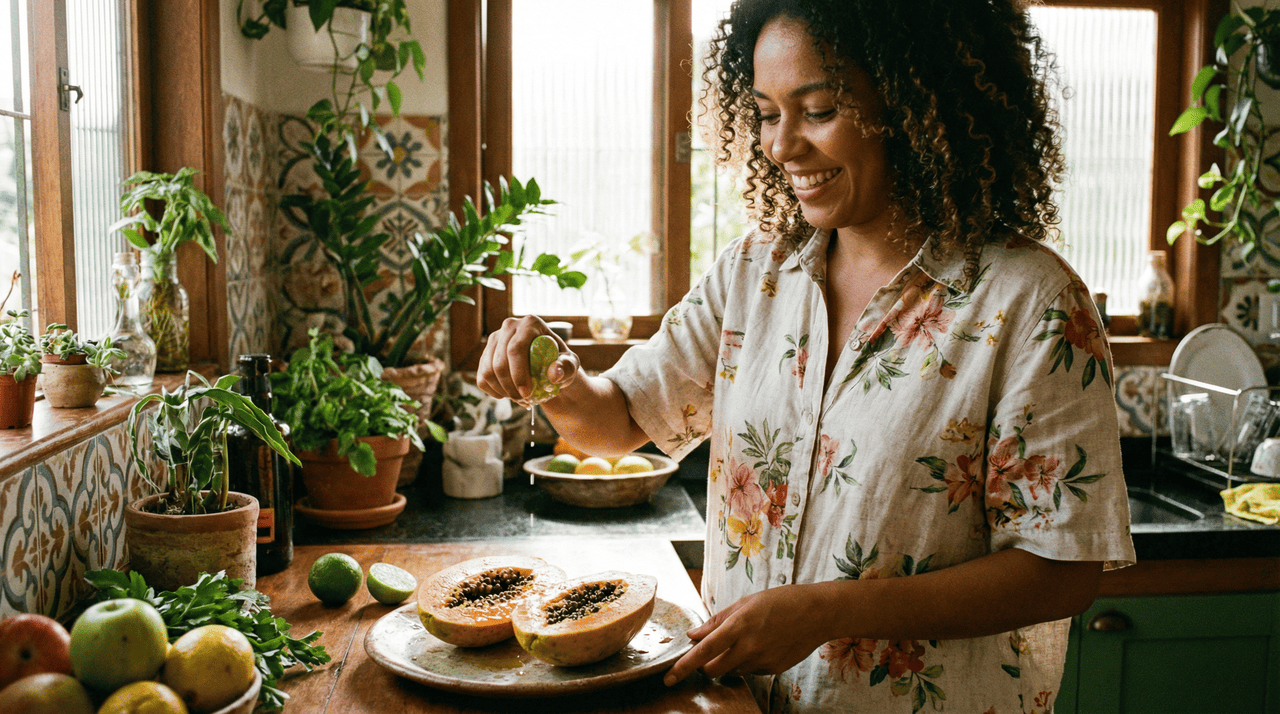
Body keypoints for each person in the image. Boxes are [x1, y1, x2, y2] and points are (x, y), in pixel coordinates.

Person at [477, 0, 1136, 710]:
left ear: (916, 108)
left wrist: (828, 611)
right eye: (764, 113)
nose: (780, 145)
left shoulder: (1029, 302)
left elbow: (1060, 569)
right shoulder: (755, 272)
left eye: (817, 110)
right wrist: (550, 369)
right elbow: (613, 423)